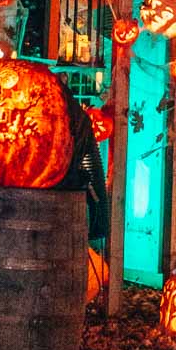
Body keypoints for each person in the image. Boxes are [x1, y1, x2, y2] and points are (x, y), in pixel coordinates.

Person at [56, 73, 108, 246]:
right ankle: (98, 228)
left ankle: (98, 228)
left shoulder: (67, 115)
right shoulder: (76, 115)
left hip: (62, 183)